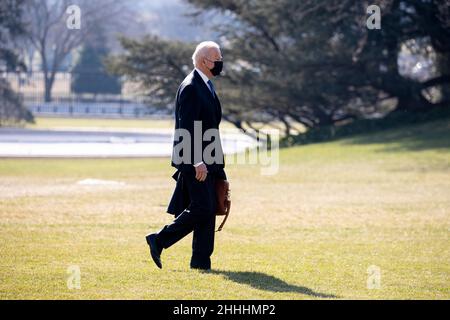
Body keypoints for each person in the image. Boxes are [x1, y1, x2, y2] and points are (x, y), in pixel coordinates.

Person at [145, 41, 226, 271]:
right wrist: (197, 160)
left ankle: (201, 262)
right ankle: (159, 240)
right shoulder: (191, 87)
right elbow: (186, 127)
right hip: (196, 160)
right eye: (216, 58)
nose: (220, 62)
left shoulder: (206, 85)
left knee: (208, 209)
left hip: (210, 159)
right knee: (202, 207)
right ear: (203, 61)